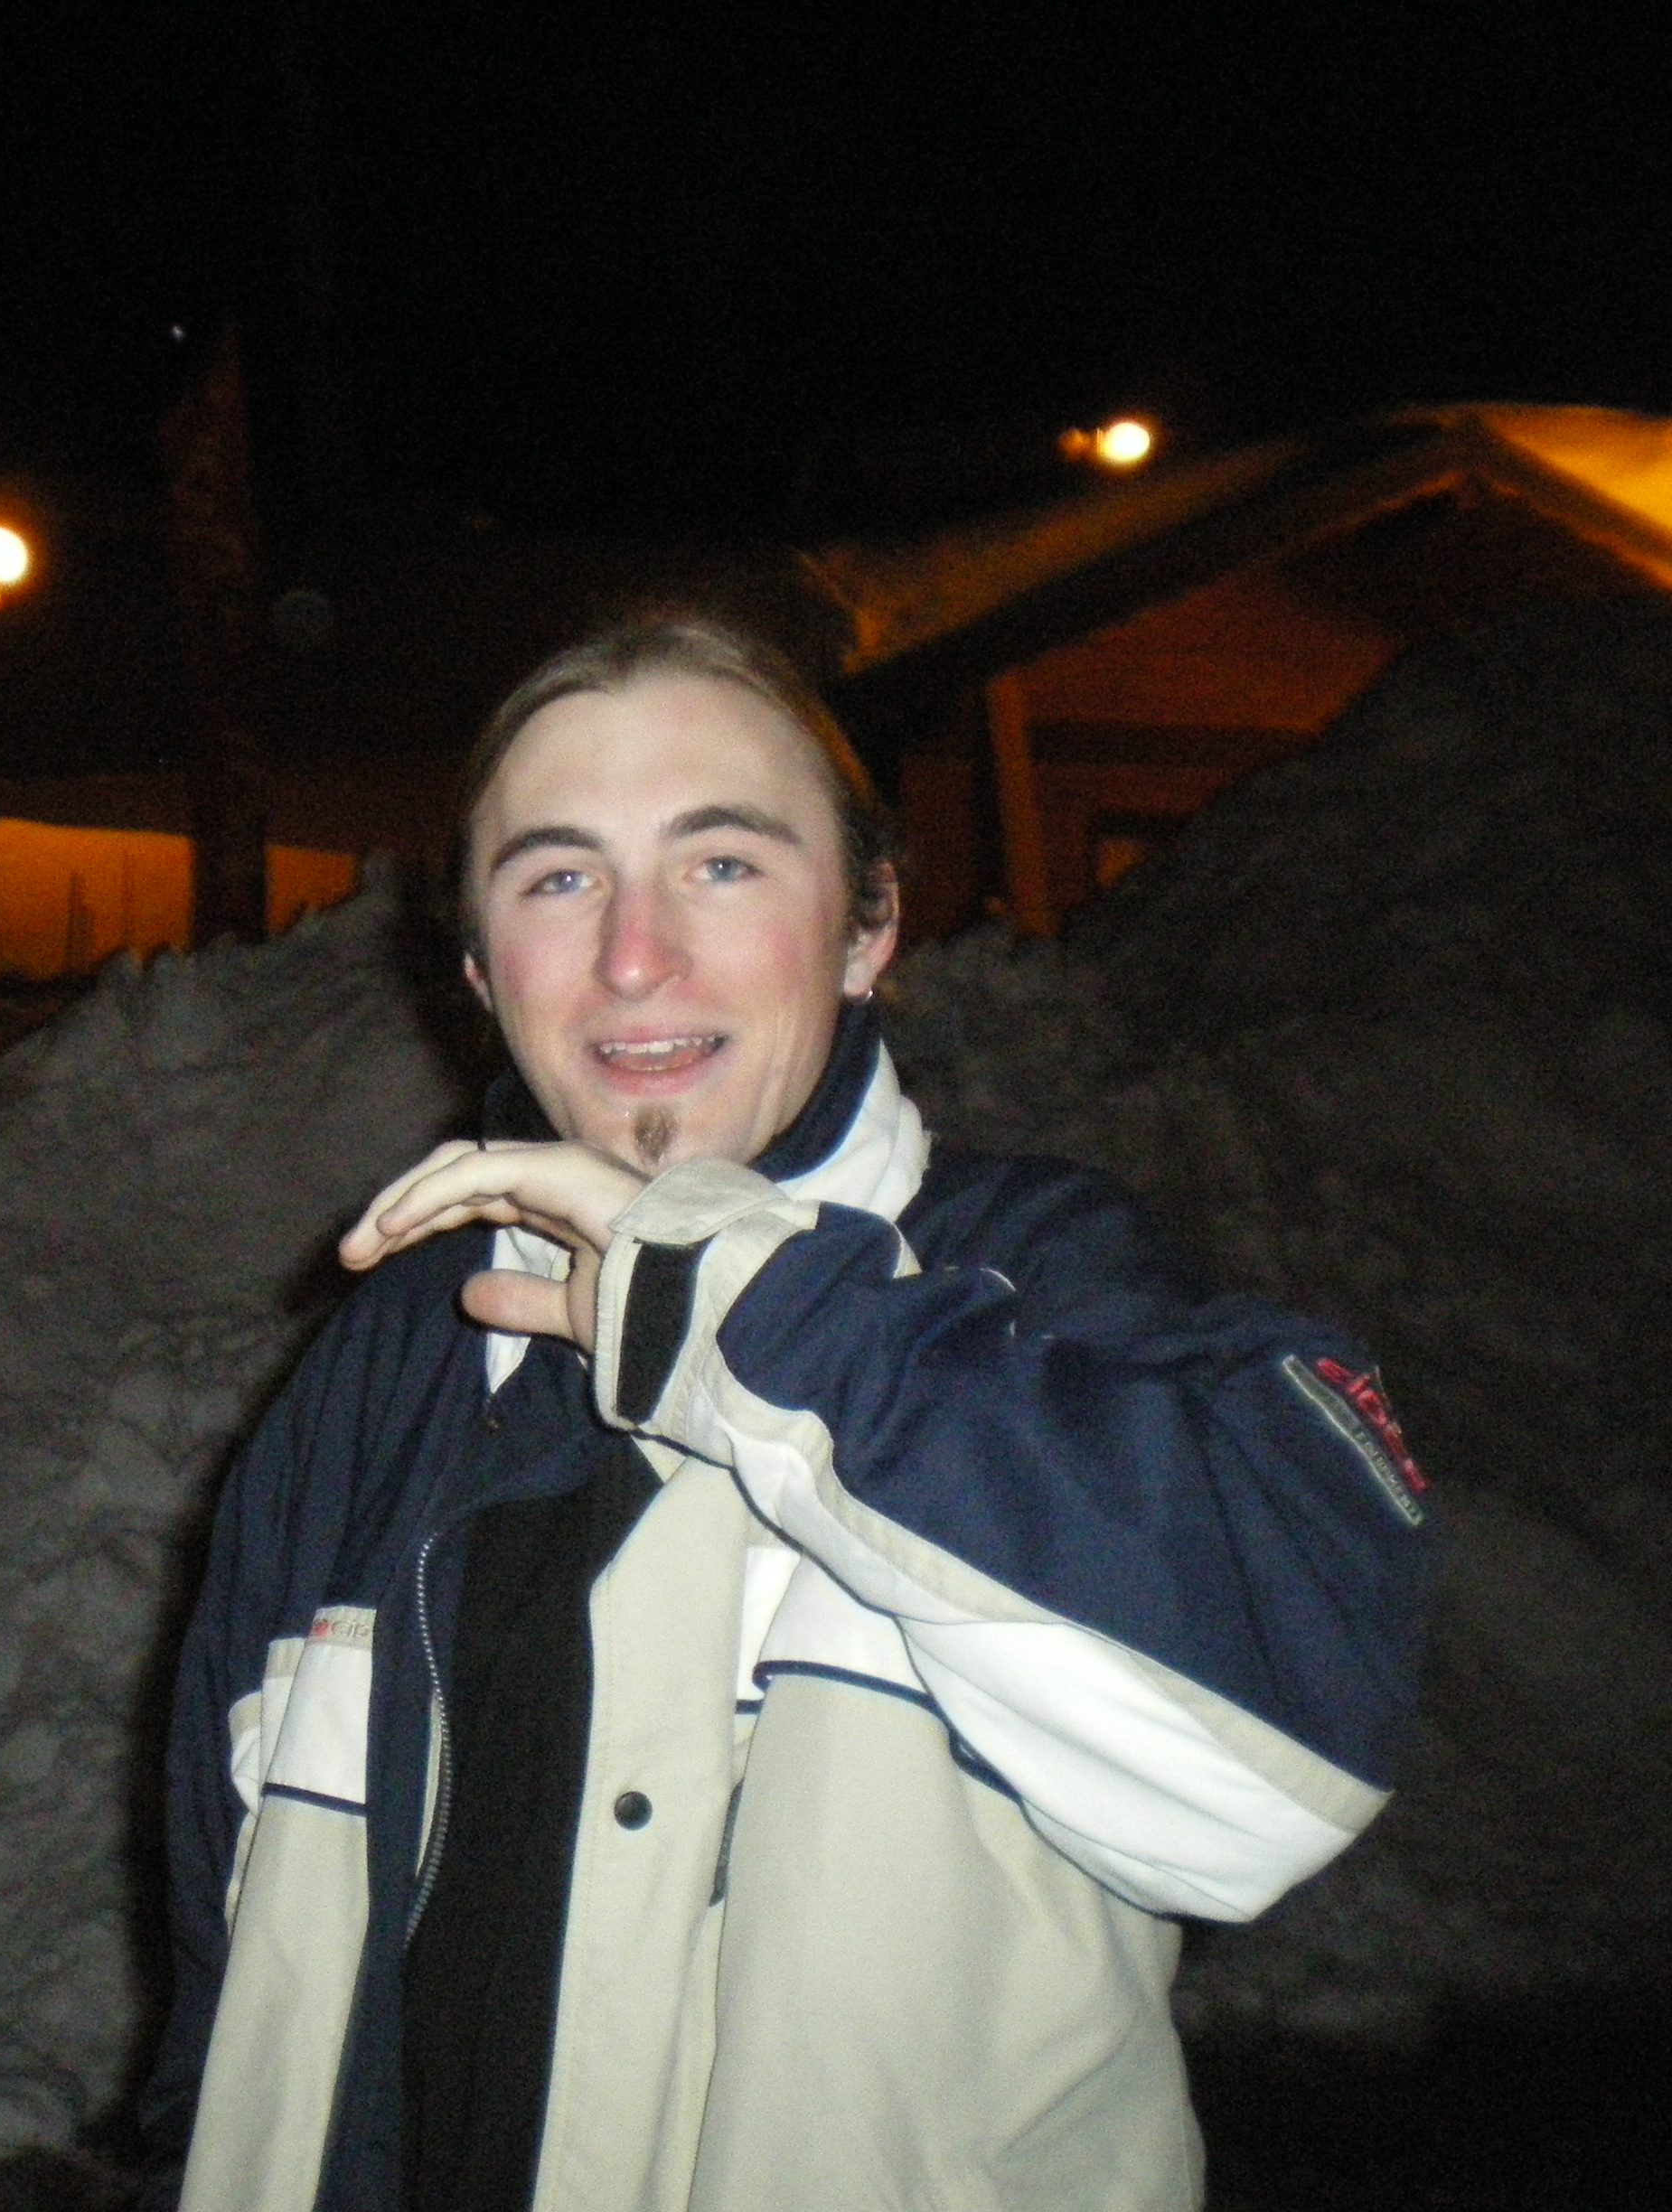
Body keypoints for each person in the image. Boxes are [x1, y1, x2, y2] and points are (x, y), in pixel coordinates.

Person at [143, 614, 1432, 2212]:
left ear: (867, 926)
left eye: (723, 863)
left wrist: (735, 1311)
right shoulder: (389, 1362)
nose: (634, 955)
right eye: (558, 879)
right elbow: (230, 1980)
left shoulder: (1038, 1292)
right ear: (477, 971)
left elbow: (1276, 1774)